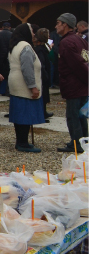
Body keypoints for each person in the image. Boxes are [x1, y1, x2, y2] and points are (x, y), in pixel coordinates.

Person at [7, 23, 45, 153]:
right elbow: (27, 68)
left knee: (19, 115)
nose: (34, 35)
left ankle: (21, 141)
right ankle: (23, 143)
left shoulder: (15, 46)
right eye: (32, 32)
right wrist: (32, 86)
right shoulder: (26, 47)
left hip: (16, 84)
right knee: (24, 115)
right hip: (24, 85)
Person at [54, 13, 88, 153]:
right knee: (80, 116)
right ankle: (84, 141)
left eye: (58, 23)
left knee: (73, 116)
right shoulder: (80, 40)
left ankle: (77, 145)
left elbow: (78, 65)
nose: (56, 26)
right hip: (82, 85)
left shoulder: (67, 42)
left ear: (65, 25)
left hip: (74, 85)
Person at [32, 29, 52, 121]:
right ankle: (42, 113)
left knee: (44, 94)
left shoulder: (41, 49)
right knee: (43, 94)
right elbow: (41, 65)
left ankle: (43, 112)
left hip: (44, 74)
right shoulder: (40, 50)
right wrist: (46, 76)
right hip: (43, 75)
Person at [0, 22, 13, 95]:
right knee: (9, 74)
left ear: (2, 27)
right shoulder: (12, 35)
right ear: (10, 28)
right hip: (9, 56)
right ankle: (7, 91)